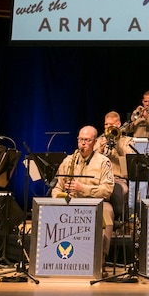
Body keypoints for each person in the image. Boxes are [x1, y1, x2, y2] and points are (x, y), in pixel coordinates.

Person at [51, 126, 115, 262]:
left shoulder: (104, 162)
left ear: (95, 142)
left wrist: (82, 188)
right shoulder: (68, 161)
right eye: (80, 139)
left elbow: (107, 190)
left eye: (87, 140)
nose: (83, 143)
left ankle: (100, 260)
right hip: (71, 202)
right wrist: (58, 198)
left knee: (108, 212)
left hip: (96, 203)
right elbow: (57, 187)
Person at [96, 111, 136, 228]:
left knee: (121, 191)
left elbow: (129, 159)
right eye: (106, 125)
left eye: (111, 125)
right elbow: (92, 159)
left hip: (118, 179)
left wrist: (117, 145)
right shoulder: (99, 140)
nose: (108, 127)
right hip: (100, 179)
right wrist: (101, 149)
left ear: (118, 124)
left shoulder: (127, 141)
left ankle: (119, 221)